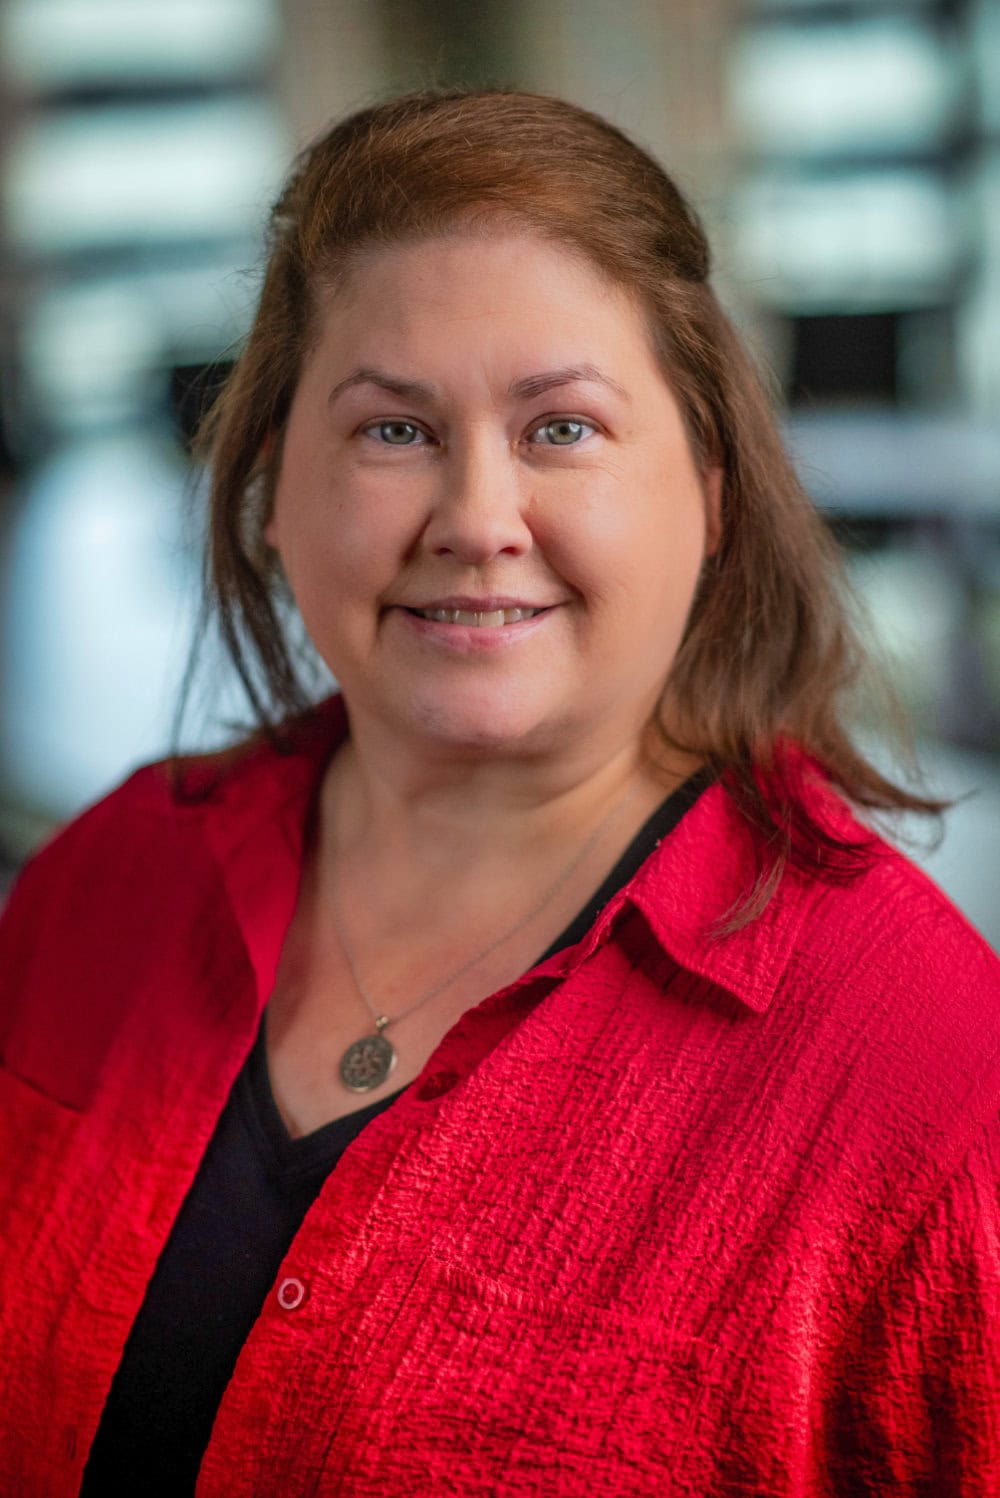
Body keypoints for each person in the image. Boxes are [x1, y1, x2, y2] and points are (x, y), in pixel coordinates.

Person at [1, 87, 998, 1498]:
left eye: (562, 428)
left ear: (709, 488)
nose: (476, 518)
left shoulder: (931, 1083)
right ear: (275, 485)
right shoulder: (106, 879)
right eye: (393, 430)